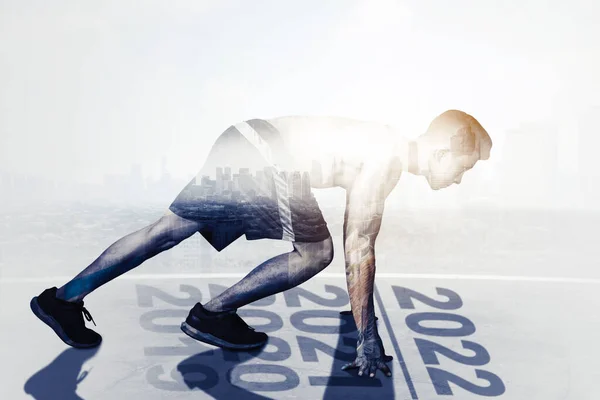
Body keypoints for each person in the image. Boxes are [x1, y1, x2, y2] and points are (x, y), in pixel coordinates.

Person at [30, 110, 492, 379]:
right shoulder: (386, 159)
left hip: (244, 139)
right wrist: (367, 338)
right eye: (464, 167)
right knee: (317, 252)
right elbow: (359, 250)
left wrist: (363, 321)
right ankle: (212, 315)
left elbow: (360, 235)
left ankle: (62, 300)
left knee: (167, 230)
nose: (459, 179)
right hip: (269, 155)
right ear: (443, 150)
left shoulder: (381, 144)